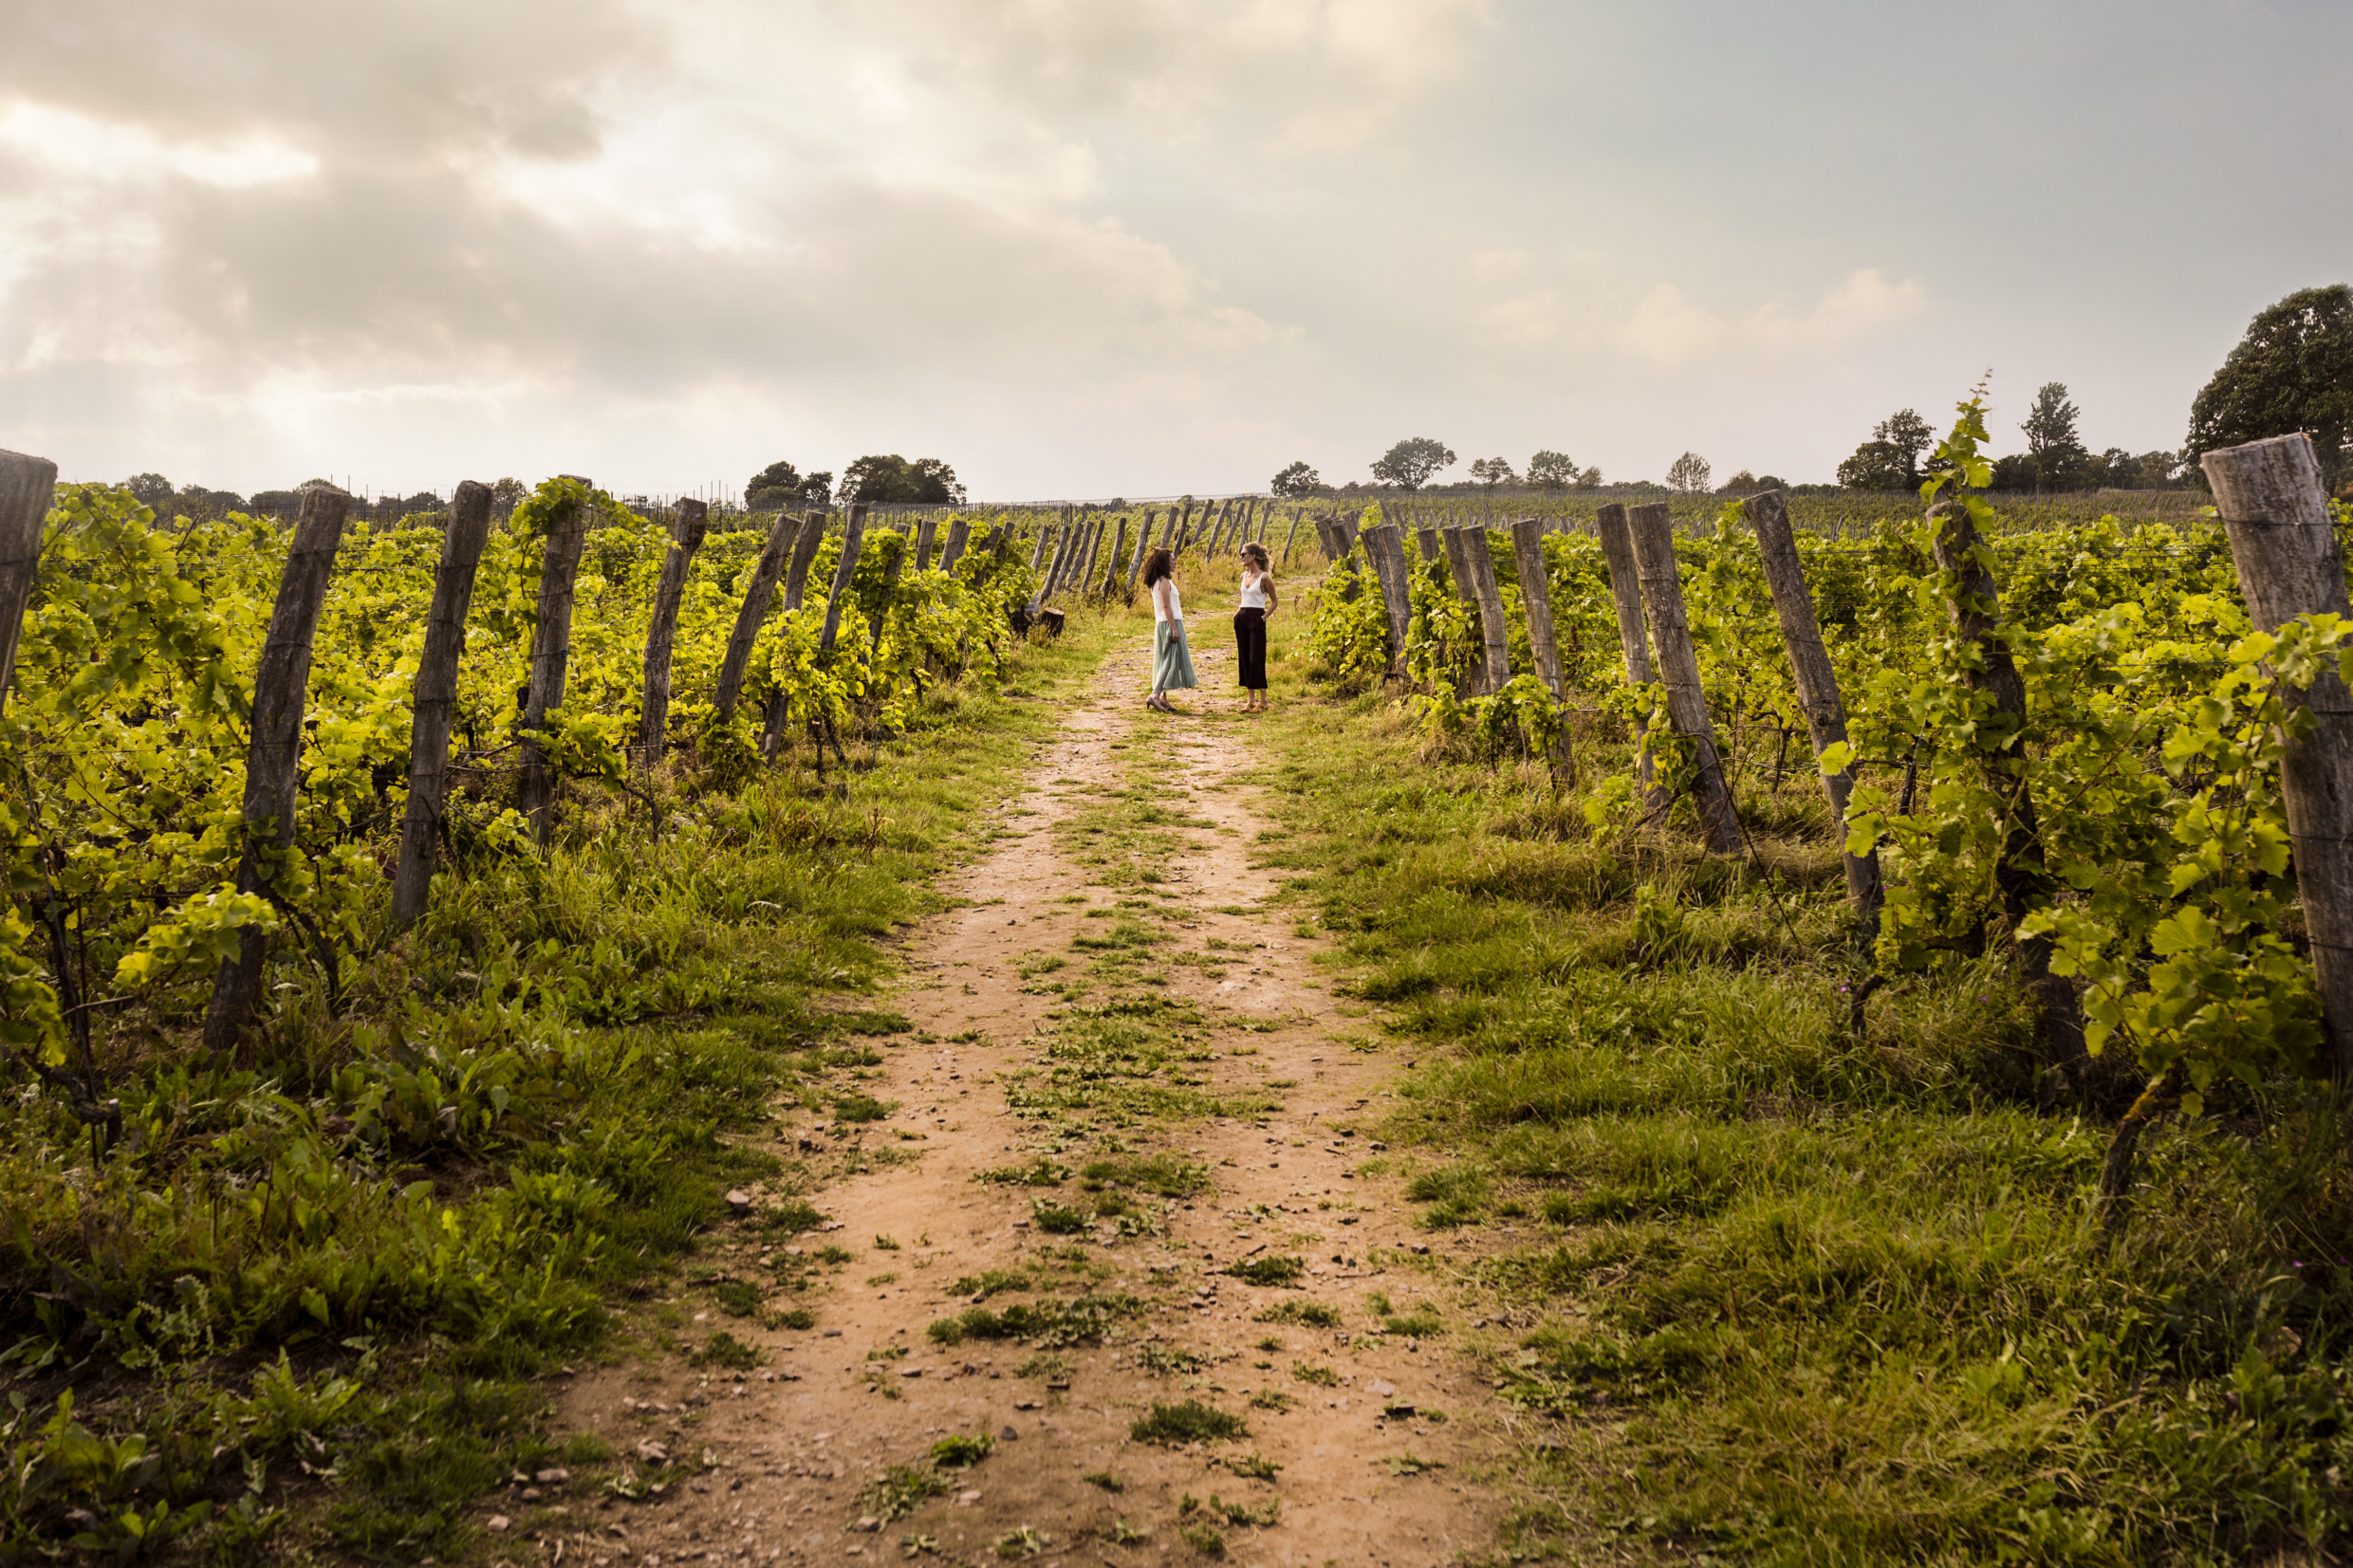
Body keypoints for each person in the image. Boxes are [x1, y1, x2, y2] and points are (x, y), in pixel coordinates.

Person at [1142, 547, 1195, 713]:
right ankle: (1155, 694)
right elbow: (1166, 606)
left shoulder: (1159, 580)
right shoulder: (1163, 581)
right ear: (1164, 562)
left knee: (1165, 658)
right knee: (1169, 659)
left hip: (1164, 623)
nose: (1175, 562)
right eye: (1172, 559)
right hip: (1168, 623)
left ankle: (1163, 697)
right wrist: (1174, 628)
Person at [1233, 543, 1277, 712]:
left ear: (1253, 556)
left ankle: (1263, 701)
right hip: (1242, 617)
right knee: (1244, 658)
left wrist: (1264, 617)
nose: (1241, 557)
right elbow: (1244, 597)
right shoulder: (1243, 576)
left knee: (1256, 658)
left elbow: (1275, 601)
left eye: (1243, 554)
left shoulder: (1265, 577)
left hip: (1257, 617)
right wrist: (1238, 612)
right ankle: (1250, 700)